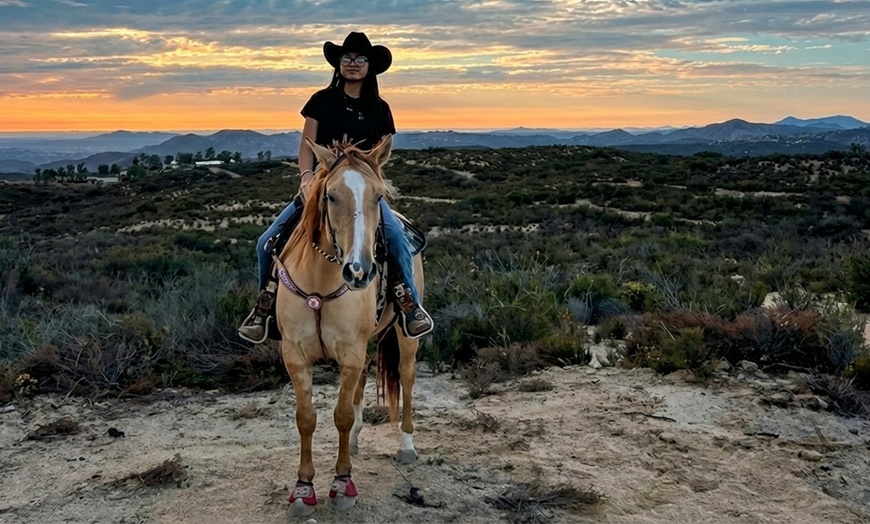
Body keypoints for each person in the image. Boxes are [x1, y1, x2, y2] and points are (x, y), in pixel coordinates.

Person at [238, 31, 434, 343]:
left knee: (397, 238)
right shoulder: (321, 101)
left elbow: (379, 155)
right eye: (347, 58)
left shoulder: (380, 108)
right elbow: (307, 144)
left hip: (362, 189)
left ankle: (409, 305)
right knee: (266, 243)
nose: (352, 63)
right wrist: (306, 177)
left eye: (360, 59)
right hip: (322, 185)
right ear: (339, 63)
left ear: (369, 66)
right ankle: (264, 310)